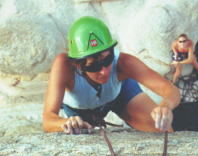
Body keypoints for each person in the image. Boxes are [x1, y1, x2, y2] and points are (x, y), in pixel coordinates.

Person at [43, 16, 180, 135]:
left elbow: (170, 90)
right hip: (79, 110)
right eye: (94, 66)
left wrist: (165, 105)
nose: (104, 71)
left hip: (118, 94)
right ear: (78, 65)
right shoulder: (64, 66)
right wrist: (64, 123)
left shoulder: (124, 62)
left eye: (107, 60)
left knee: (163, 129)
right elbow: (48, 119)